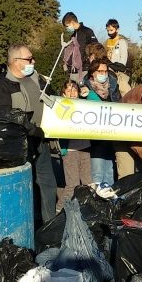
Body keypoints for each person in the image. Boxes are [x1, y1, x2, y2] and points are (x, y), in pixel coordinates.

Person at [0, 44, 58, 226]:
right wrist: (32, 129)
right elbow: (5, 116)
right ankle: (29, 226)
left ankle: (50, 226)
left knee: (48, 185)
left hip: (41, 141)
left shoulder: (37, 78)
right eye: (29, 59)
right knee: (26, 187)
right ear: (16, 61)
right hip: (19, 146)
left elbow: (55, 100)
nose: (33, 62)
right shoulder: (2, 86)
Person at [80, 59, 121, 186]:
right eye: (100, 71)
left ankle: (109, 199)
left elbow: (119, 104)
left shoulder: (113, 86)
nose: (103, 74)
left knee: (109, 171)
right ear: (93, 72)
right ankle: (97, 198)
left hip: (111, 134)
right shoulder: (84, 88)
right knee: (97, 172)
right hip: (95, 136)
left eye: (105, 71)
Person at [56, 81, 91, 210]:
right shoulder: (61, 107)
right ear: (64, 93)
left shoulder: (84, 104)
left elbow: (98, 103)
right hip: (70, 151)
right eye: (69, 90)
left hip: (85, 148)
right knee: (72, 185)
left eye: (75, 90)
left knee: (87, 183)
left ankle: (84, 209)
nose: (72, 93)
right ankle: (59, 210)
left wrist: (88, 93)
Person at [61, 12, 97, 83]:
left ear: (72, 22)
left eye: (67, 26)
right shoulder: (73, 35)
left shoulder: (87, 31)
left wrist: (91, 63)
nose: (67, 28)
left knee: (83, 91)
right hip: (72, 71)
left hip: (84, 70)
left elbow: (96, 47)